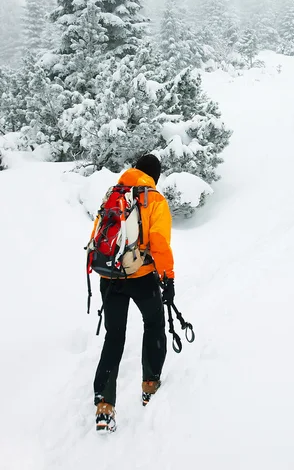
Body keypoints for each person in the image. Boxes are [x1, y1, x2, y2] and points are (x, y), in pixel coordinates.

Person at [93, 154, 175, 432]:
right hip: (141, 276)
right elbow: (160, 242)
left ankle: (104, 405)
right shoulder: (153, 198)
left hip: (109, 275)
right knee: (153, 323)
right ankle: (150, 385)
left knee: (114, 336)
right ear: (155, 175)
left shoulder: (113, 193)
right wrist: (168, 279)